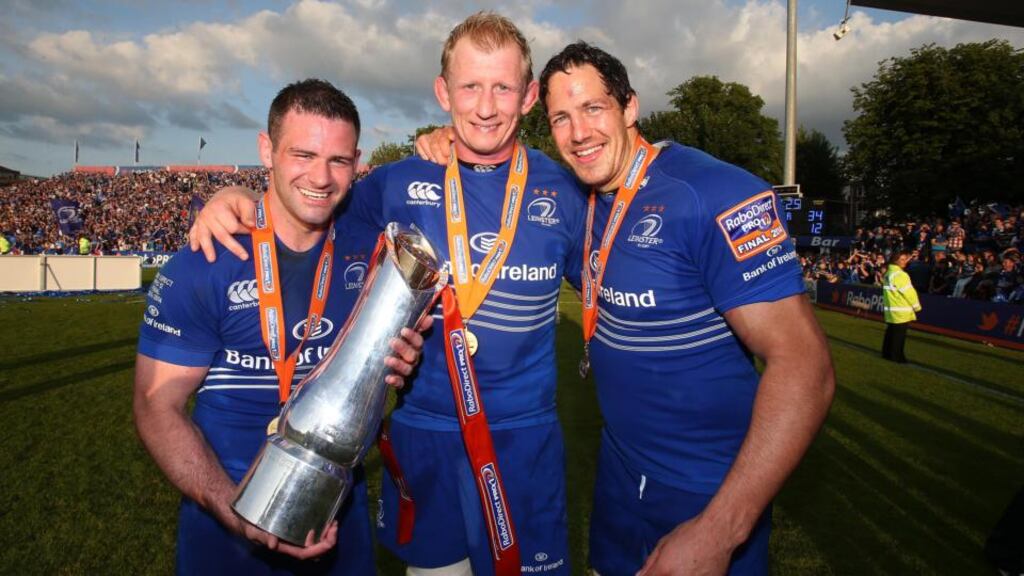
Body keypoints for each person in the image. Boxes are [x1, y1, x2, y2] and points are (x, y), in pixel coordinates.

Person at [189, 13, 584, 576]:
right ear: (443, 92)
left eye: (502, 87)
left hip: (524, 440)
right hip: (424, 437)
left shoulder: (564, 190)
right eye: (470, 86)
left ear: (528, 96)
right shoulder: (396, 184)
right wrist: (237, 196)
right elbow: (309, 208)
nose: (485, 106)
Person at [418, 40, 834, 575]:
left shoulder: (712, 193)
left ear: (630, 106)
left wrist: (720, 529)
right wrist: (451, 140)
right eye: (561, 117)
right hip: (617, 482)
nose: (579, 132)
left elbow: (805, 365)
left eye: (593, 108)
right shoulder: (586, 202)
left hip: (707, 491)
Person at [133, 79, 426, 575]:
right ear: (266, 150)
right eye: (303, 154)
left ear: (357, 161)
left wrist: (402, 358)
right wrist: (235, 511)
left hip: (339, 519)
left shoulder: (370, 250)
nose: (321, 177)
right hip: (224, 523)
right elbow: (156, 405)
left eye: (338, 160)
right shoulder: (205, 264)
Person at [882, 250, 921, 363]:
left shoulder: (889, 273)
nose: (905, 262)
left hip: (892, 309)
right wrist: (916, 306)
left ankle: (887, 354)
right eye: (902, 260)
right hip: (901, 309)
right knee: (899, 336)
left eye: (905, 259)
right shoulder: (900, 275)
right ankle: (897, 357)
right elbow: (909, 292)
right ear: (896, 261)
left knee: (891, 333)